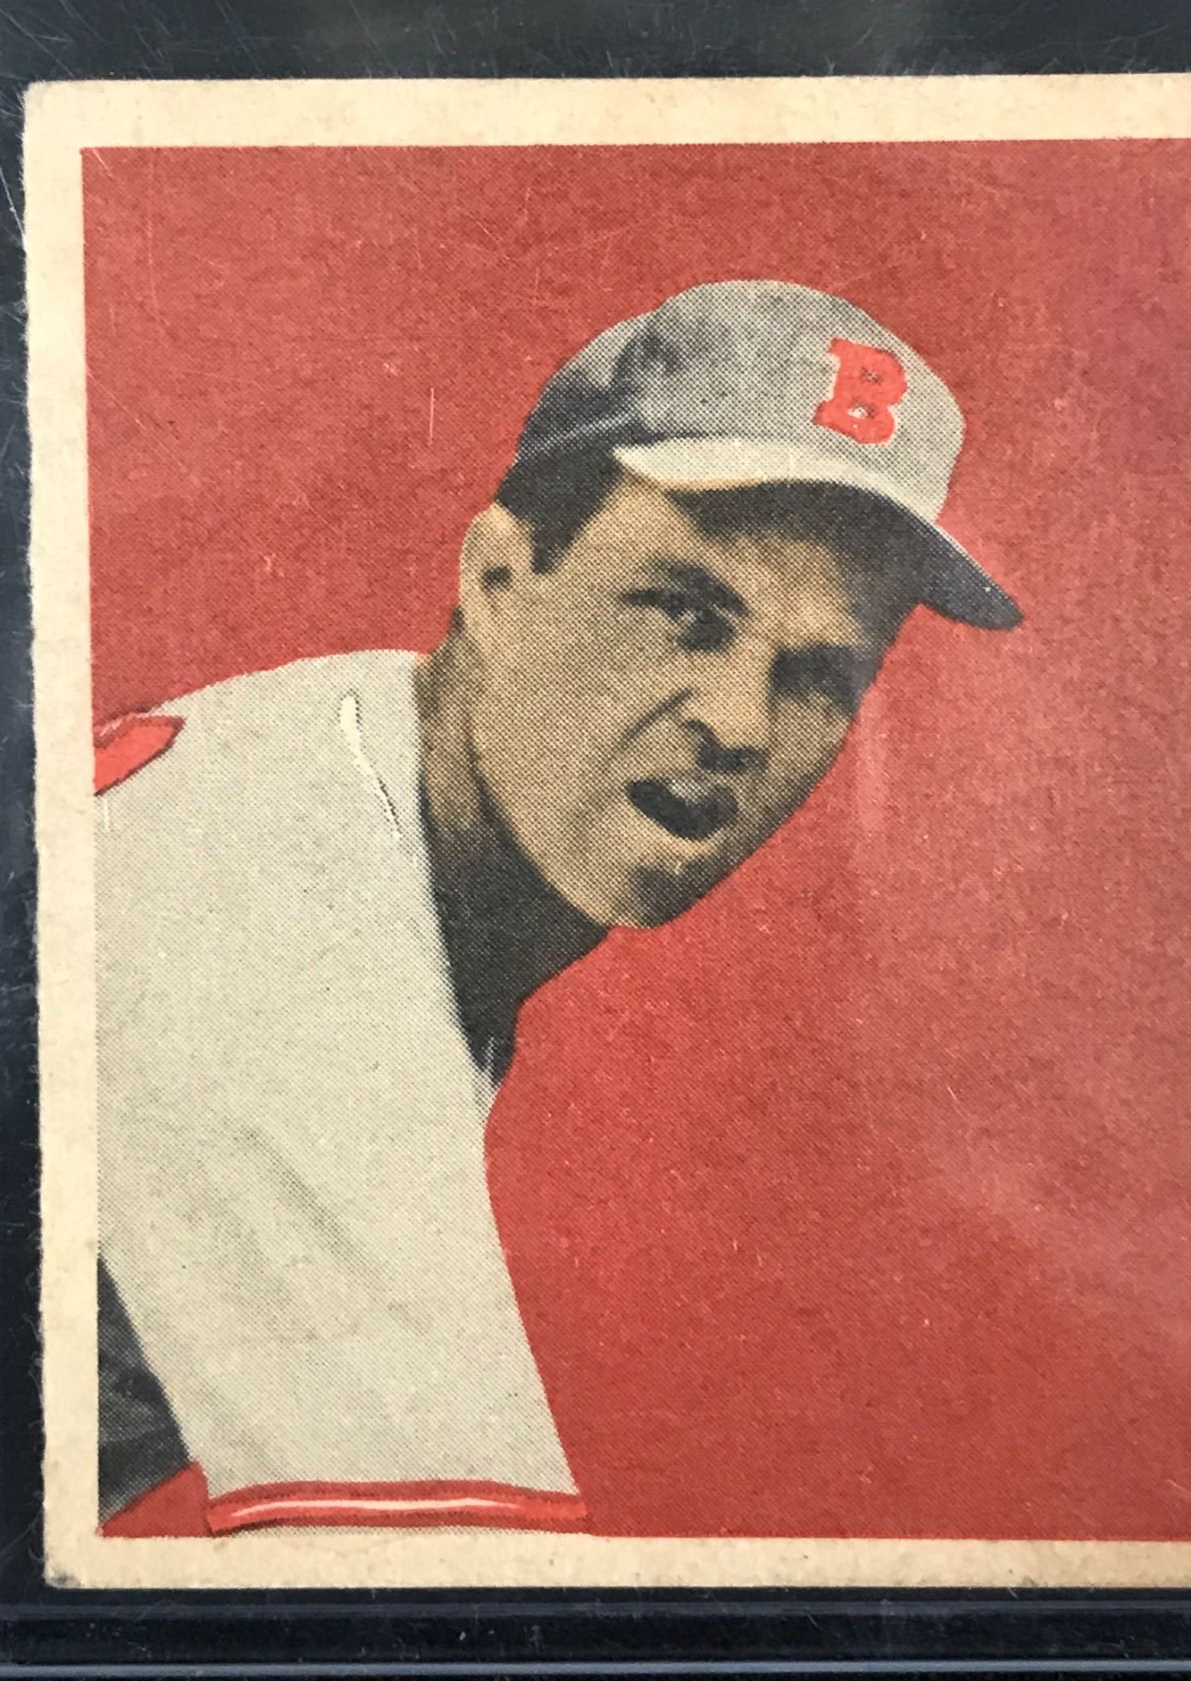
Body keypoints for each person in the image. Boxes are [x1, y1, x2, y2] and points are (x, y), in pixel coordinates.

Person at [94, 279, 1020, 1537]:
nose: (740, 724)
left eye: (817, 673)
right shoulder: (271, 899)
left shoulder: (351, 780)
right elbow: (443, 1590)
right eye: (686, 613)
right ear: (499, 580)